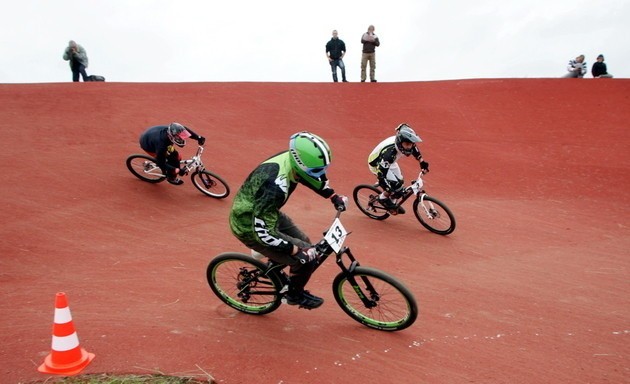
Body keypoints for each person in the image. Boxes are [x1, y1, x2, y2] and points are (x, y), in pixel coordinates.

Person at [229, 132, 348, 309]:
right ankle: (293, 295)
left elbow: (309, 176)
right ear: (299, 163)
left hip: (266, 212)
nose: (322, 174)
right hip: (248, 225)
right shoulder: (276, 186)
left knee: (306, 244)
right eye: (316, 169)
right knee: (306, 258)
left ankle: (274, 265)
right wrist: (294, 250)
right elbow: (262, 232)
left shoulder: (291, 160)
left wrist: (332, 196)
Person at [367, 123, 429, 214]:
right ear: (400, 142)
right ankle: (382, 199)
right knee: (394, 186)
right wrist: (387, 188)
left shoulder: (403, 143)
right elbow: (381, 174)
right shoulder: (390, 154)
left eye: (410, 144)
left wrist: (422, 162)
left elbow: (414, 149)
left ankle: (393, 200)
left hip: (390, 163)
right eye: (407, 144)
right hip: (377, 164)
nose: (409, 147)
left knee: (400, 182)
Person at [138, 122, 205, 185]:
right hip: (148, 145)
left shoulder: (173, 131)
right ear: (171, 136)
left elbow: (184, 129)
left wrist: (198, 137)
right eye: (179, 138)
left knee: (176, 157)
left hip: (152, 135)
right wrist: (174, 169)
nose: (182, 139)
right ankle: (171, 178)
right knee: (175, 159)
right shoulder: (162, 146)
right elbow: (160, 162)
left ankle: (172, 169)